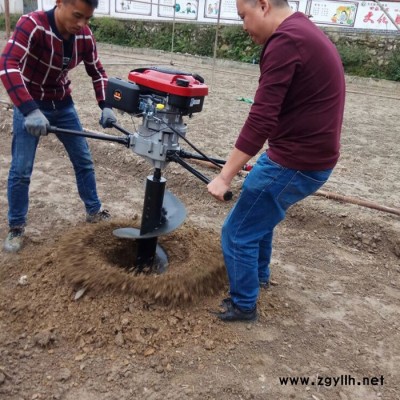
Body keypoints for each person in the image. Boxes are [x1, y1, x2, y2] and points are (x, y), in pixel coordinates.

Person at [207, 0, 345, 321]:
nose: (243, 26)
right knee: (259, 213)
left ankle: (243, 305)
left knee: (236, 232)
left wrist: (225, 176)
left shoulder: (285, 42)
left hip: (297, 160)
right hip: (312, 156)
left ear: (264, 5)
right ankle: (259, 276)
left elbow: (261, 118)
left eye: (244, 16)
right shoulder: (303, 31)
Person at [0, 0, 117, 253]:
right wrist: (30, 109)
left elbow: (97, 71)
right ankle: (16, 227)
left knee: (83, 160)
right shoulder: (31, 25)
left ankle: (94, 211)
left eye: (87, 19)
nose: (82, 24)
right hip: (30, 103)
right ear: (59, 3)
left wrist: (105, 104)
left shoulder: (84, 35)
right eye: (77, 16)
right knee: (21, 169)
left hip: (62, 103)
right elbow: (8, 64)